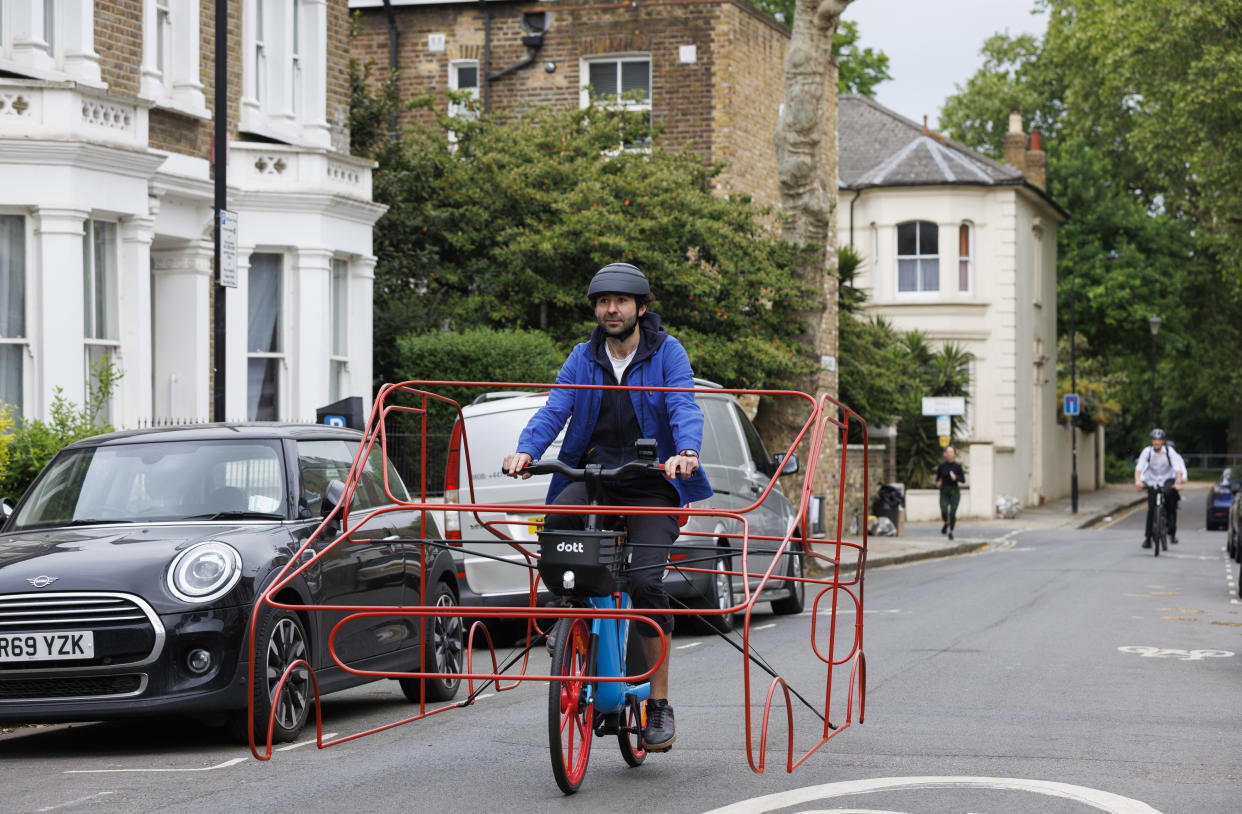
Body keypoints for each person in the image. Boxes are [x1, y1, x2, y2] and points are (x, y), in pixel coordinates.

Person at [502, 262, 711, 753]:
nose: (610, 309)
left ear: (641, 308)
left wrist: (686, 453)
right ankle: (570, 616)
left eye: (620, 301)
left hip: (651, 482)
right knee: (556, 530)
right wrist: (527, 450)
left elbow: (683, 404)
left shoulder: (667, 352)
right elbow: (556, 408)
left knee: (645, 583)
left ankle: (658, 703)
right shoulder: (584, 355)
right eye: (602, 302)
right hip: (595, 477)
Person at [1135, 428, 1187, 547]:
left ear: (1163, 441)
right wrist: (1138, 481)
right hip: (1152, 481)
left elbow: (1177, 469)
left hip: (1167, 480)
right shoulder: (1147, 452)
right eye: (1154, 440)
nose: (1156, 442)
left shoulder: (1169, 452)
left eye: (1159, 440)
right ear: (1152, 441)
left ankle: (1169, 527)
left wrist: (1178, 482)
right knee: (1151, 509)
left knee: (1170, 499)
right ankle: (1148, 538)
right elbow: (1139, 468)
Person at [935, 446, 966, 540]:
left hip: (954, 491)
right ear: (945, 454)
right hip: (944, 490)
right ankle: (946, 522)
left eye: (951, 452)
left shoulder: (957, 466)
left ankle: (951, 532)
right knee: (944, 511)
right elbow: (938, 478)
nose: (949, 454)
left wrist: (956, 478)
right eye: (947, 452)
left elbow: (963, 480)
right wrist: (938, 482)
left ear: (954, 454)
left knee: (952, 513)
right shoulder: (942, 466)